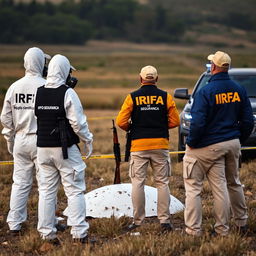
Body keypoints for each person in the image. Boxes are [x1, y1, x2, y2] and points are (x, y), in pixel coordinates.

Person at [183, 51, 254, 236]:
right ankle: (236, 224)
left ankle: (193, 230)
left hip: (207, 146)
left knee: (193, 188)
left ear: (213, 67)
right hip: (231, 143)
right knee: (230, 184)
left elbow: (198, 124)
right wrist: (238, 139)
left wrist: (190, 143)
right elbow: (248, 121)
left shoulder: (205, 91)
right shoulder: (239, 89)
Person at [35, 54, 93, 243]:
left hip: (42, 148)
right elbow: (78, 123)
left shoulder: (39, 91)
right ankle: (79, 233)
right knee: (74, 190)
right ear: (64, 71)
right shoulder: (68, 93)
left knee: (46, 191)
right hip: (64, 149)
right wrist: (88, 140)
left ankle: (46, 234)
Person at [116, 65, 180, 232]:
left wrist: (134, 127)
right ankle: (164, 221)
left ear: (140, 79)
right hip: (160, 144)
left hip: (138, 145)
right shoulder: (166, 97)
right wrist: (159, 125)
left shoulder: (132, 97)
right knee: (162, 183)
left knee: (138, 183)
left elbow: (121, 122)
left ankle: (137, 221)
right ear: (156, 79)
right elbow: (175, 121)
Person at [0, 47, 51, 234]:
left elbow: (5, 118)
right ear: (40, 62)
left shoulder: (14, 87)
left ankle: (14, 223)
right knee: (46, 185)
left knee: (20, 183)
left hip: (20, 140)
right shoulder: (46, 86)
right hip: (42, 140)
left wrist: (10, 140)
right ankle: (47, 224)